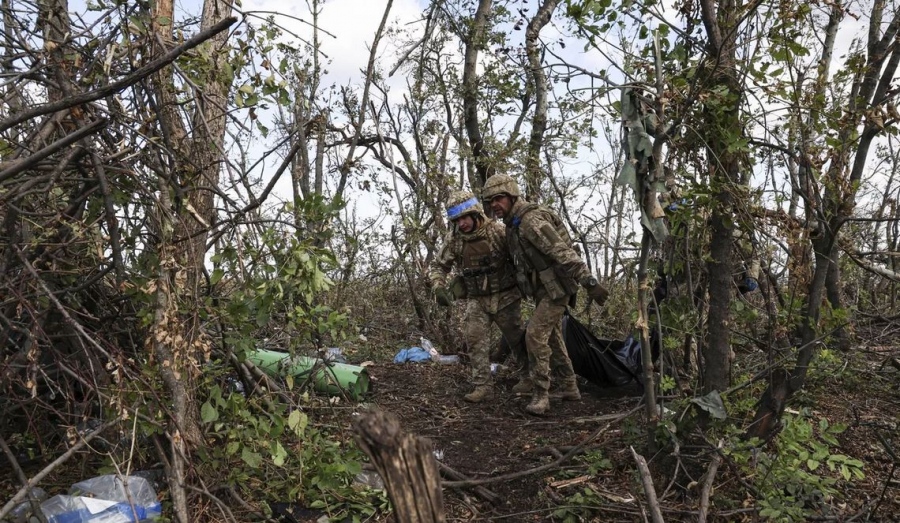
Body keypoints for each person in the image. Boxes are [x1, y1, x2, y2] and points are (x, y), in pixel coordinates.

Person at [482, 174, 609, 415]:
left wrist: (589, 281)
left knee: (535, 335)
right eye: (490, 202)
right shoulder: (512, 225)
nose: (494, 205)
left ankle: (542, 394)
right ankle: (570, 386)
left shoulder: (530, 220)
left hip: (557, 288)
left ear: (511, 195)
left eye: (498, 199)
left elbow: (562, 252)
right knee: (552, 337)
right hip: (543, 288)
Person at [429, 190, 527, 403]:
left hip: (506, 295)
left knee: (517, 338)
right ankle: (482, 386)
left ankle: (528, 377)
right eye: (457, 220)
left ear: (475, 214)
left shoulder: (498, 232)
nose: (462, 223)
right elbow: (439, 265)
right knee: (475, 339)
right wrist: (438, 286)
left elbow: (521, 258)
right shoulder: (455, 239)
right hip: (477, 298)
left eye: (465, 218)